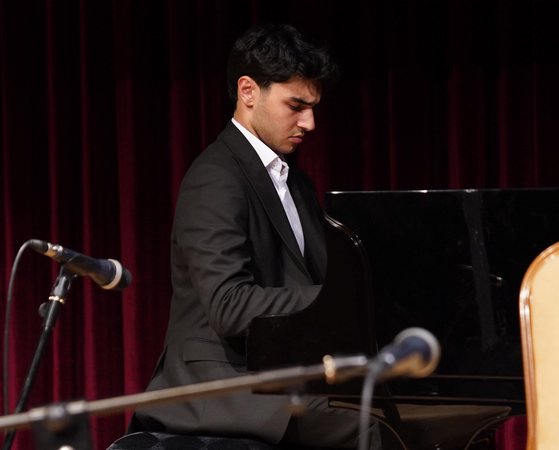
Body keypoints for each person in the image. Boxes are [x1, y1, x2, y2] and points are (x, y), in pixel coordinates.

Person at [129, 23, 381, 449]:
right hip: (220, 382)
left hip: (278, 372)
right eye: (296, 106)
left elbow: (318, 277)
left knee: (405, 409)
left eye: (313, 107)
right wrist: (335, 302)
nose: (310, 122)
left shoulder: (295, 182)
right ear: (248, 91)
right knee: (369, 425)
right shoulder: (214, 177)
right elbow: (228, 305)